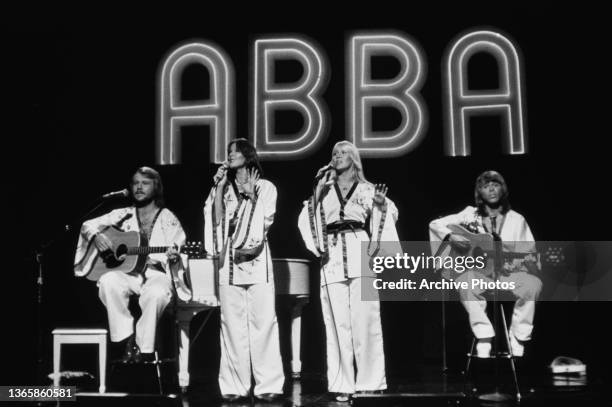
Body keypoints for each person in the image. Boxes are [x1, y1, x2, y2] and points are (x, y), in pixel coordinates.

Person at [297, 141, 400, 402]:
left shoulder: (367, 189)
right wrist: (316, 195)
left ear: (354, 158)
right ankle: (343, 383)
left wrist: (380, 206)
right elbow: (306, 217)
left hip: (359, 249)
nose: (337, 156)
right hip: (331, 255)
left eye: (343, 153)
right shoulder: (324, 188)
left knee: (366, 319)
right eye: (334, 153)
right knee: (336, 322)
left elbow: (389, 215)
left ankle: (371, 381)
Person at [74, 166, 189, 363]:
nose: (139, 187)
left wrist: (173, 257)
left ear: (156, 187)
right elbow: (87, 225)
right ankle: (126, 339)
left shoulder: (167, 218)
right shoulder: (122, 214)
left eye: (145, 183)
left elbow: (179, 247)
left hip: (156, 274)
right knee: (108, 280)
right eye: (135, 183)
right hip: (128, 274)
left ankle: (144, 348)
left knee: (157, 293)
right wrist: (98, 235)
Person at [203, 138, 284, 402]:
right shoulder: (223, 188)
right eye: (228, 152)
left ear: (248, 155)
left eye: (235, 151)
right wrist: (218, 188)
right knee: (231, 325)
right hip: (229, 264)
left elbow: (266, 219)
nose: (230, 155)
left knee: (263, 323)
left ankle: (268, 385)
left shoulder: (266, 187)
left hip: (258, 262)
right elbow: (214, 221)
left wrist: (250, 195)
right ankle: (234, 386)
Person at [429, 170, 542, 358]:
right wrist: (451, 236)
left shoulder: (517, 219)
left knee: (533, 284)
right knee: (464, 281)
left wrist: (519, 262)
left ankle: (518, 336)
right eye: (485, 186)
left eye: (496, 185)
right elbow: (435, 224)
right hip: (480, 275)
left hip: (509, 276)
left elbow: (529, 251)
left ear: (503, 189)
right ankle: (484, 335)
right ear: (479, 192)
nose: (491, 189)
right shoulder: (469, 215)